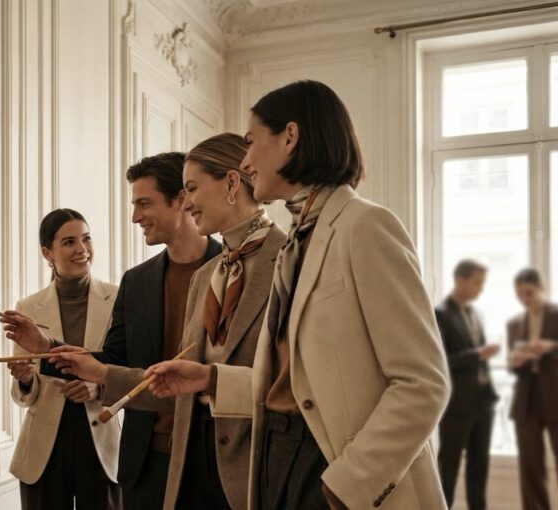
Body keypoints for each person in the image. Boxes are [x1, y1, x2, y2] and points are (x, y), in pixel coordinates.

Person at [145, 80, 450, 510]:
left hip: (330, 469)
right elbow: (296, 385)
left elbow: (423, 384)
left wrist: (348, 485)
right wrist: (210, 379)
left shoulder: (365, 226)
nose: (246, 162)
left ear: (289, 137)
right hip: (276, 463)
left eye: (251, 141)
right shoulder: (297, 242)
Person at [50, 133, 286, 509]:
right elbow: (177, 383)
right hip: (179, 468)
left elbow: (297, 385)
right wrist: (99, 372)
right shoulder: (207, 276)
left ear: (231, 183)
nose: (187, 202)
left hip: (255, 471)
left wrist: (211, 379)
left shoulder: (290, 260)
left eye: (191, 189)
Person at [1, 152, 221, 510]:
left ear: (181, 199)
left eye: (144, 203)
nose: (134, 217)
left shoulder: (231, 267)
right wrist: (45, 345)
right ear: (47, 253)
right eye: (134, 205)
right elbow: (113, 360)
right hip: (145, 462)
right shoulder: (138, 282)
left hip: (212, 457)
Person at [7, 208, 121, 510]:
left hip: (101, 444)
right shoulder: (27, 307)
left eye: (86, 238)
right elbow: (22, 397)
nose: (82, 249)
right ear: (47, 253)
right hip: (43, 451)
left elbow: (130, 370)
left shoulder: (119, 298)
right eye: (69, 242)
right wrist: (25, 380)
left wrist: (100, 388)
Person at [435, 259, 499, 510]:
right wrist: (478, 355)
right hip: (457, 406)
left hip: (483, 403)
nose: (481, 288)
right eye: (477, 283)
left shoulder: (475, 314)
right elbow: (441, 359)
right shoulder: (440, 314)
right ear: (460, 280)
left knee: (479, 469)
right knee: (448, 470)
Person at [507, 268, 558, 510]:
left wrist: (551, 347)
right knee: (530, 468)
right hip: (526, 401)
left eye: (529, 292)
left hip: (556, 396)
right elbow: (514, 365)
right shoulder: (514, 323)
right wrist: (515, 362)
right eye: (519, 293)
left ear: (541, 287)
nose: (524, 298)